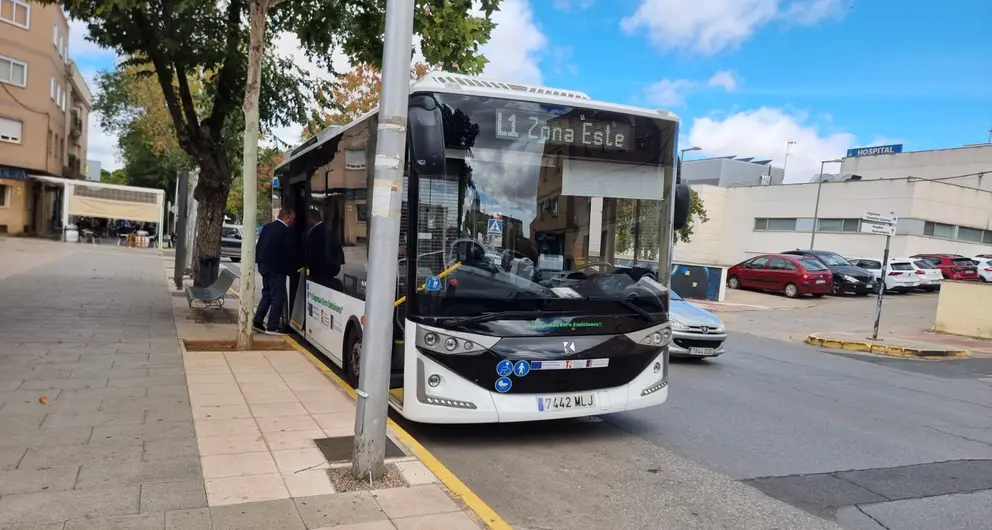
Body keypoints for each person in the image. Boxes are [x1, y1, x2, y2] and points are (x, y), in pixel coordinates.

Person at [253, 207, 298, 334]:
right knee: (279, 296)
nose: (292, 222)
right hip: (277, 269)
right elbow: (290, 252)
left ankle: (258, 321)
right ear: (287, 217)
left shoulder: (267, 227)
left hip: (264, 267)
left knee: (267, 294)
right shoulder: (285, 231)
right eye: (292, 219)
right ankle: (272, 326)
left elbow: (259, 246)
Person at [305, 209, 345, 287]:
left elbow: (311, 253)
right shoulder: (328, 229)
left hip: (321, 271)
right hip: (330, 268)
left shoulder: (315, 233)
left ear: (311, 219)